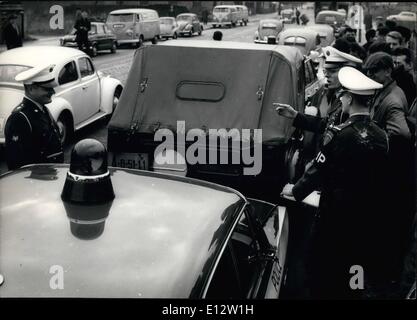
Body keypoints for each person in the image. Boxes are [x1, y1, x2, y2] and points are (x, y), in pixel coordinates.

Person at [281, 66, 390, 299]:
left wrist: (296, 190)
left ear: (350, 98)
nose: (342, 99)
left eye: (344, 96)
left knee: (323, 266)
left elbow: (319, 169)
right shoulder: (382, 137)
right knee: (357, 265)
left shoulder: (340, 135)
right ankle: (354, 292)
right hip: (367, 218)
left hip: (336, 215)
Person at [364, 52, 415, 288]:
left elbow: (401, 133)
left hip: (388, 177)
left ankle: (381, 278)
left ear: (387, 71)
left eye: (374, 71)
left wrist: (375, 142)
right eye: (369, 71)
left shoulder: (392, 99)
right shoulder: (386, 91)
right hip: (388, 175)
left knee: (384, 227)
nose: (370, 75)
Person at [274, 46, 363, 136]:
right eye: (326, 71)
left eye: (332, 71)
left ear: (347, 73)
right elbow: (326, 125)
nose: (327, 75)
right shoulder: (339, 96)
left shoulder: (350, 100)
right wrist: (295, 115)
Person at [4, 64, 64, 170]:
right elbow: (17, 163)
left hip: (51, 175)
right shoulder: (19, 118)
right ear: (31, 89)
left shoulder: (43, 109)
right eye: (47, 89)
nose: (53, 92)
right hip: (36, 180)